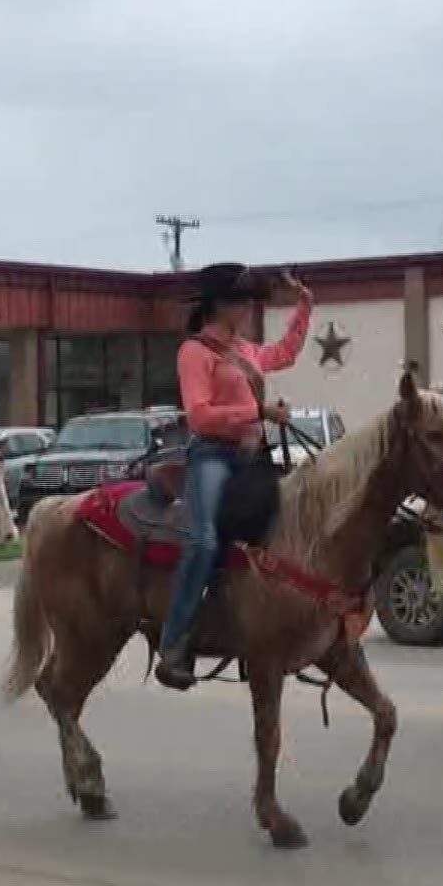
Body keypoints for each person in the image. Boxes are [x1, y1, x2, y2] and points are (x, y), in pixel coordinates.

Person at [154, 263, 313, 691]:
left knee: (286, 533)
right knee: (203, 538)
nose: (247, 308)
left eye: (249, 300)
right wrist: (259, 412)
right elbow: (200, 415)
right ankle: (174, 643)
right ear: (220, 304)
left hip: (252, 457)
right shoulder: (195, 352)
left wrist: (304, 308)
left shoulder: (245, 351)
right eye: (241, 300)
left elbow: (284, 353)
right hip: (213, 457)